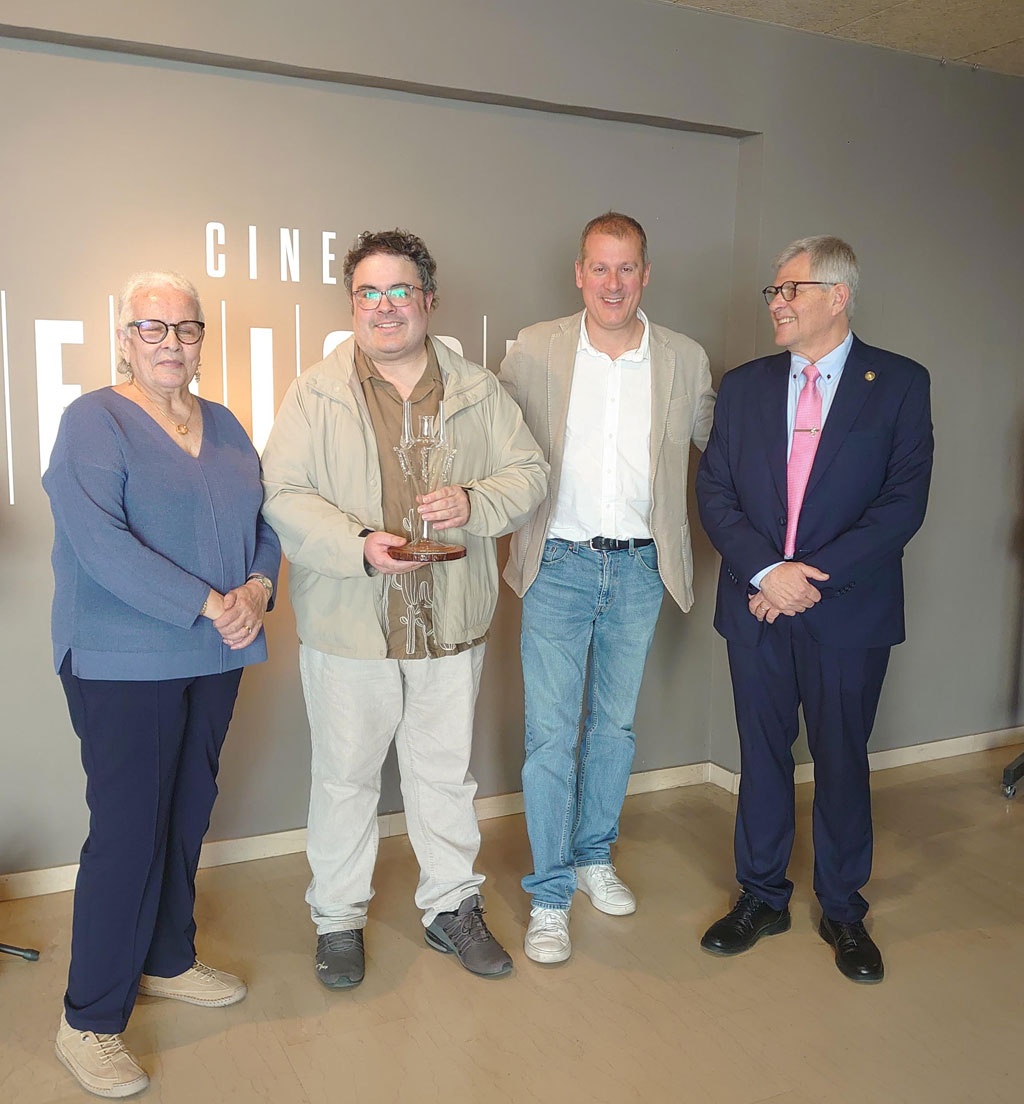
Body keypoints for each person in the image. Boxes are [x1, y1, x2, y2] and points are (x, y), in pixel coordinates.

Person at [260, 229, 547, 986]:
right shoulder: (314, 393)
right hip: (349, 624)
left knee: (444, 775)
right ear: (352, 304)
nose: (384, 307)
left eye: (399, 291)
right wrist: (358, 544)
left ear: (428, 299)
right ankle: (338, 918)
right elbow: (282, 494)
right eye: (369, 292)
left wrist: (475, 502)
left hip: (449, 621)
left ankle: (452, 907)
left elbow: (528, 472)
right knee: (344, 779)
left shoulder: (478, 389)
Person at [43, 271, 281, 1097]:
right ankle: (88, 1020)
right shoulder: (93, 421)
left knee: (187, 812)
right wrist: (211, 602)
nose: (170, 342)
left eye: (185, 328)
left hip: (215, 654)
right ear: (124, 338)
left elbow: (263, 522)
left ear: (201, 339)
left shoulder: (226, 424)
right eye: (152, 328)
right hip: (123, 659)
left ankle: (168, 959)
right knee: (128, 831)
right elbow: (99, 544)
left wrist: (257, 588)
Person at [695, 236, 933, 983]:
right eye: (774, 291)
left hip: (848, 612)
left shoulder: (898, 383)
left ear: (839, 295)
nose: (777, 303)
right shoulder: (744, 386)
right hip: (756, 606)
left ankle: (842, 908)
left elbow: (901, 506)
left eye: (791, 290)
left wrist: (806, 580)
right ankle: (761, 896)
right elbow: (715, 493)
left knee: (841, 760)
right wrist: (769, 573)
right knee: (762, 758)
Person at [499, 212, 715, 964]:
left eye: (626, 269)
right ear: (579, 273)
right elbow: (492, 442)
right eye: (600, 267)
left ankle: (594, 856)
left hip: (640, 568)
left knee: (614, 729)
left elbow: (727, 451)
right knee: (550, 736)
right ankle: (550, 894)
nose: (613, 283)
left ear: (645, 274)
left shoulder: (684, 358)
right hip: (557, 564)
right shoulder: (534, 349)